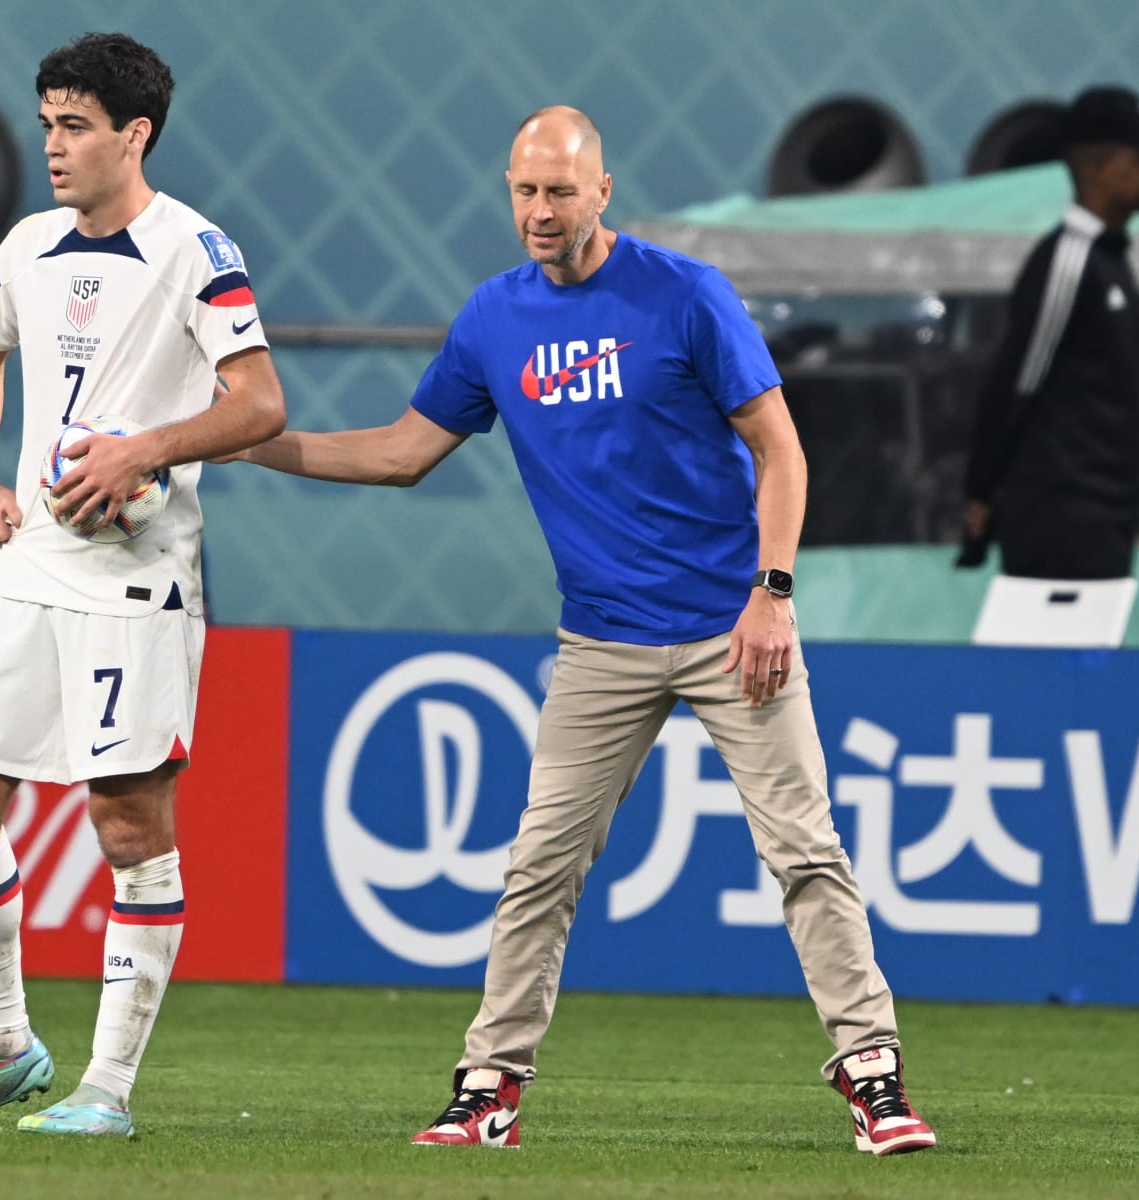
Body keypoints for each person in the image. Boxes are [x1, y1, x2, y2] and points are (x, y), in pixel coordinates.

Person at [226, 106, 935, 1156]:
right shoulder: (493, 319)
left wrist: (771, 592)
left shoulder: (686, 295)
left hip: (727, 625)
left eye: (561, 190)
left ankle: (874, 1076)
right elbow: (397, 453)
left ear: (603, 191)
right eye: (524, 189)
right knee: (539, 867)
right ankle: (488, 1089)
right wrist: (242, 443)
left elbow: (782, 453)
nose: (541, 210)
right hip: (602, 642)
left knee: (804, 850)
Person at [0, 31, 286, 1138]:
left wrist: (144, 450)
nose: (54, 147)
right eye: (48, 125)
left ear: (135, 134)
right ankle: (3, 1045)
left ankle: (106, 1091)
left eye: (75, 126)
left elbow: (260, 405)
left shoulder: (196, 252)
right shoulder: (24, 246)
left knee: (127, 829)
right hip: (26, 569)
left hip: (136, 583)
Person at [958, 85, 1139, 578]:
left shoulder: (1110, 260)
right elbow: (1016, 382)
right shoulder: (1069, 260)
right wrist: (981, 490)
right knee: (1052, 656)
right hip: (1060, 519)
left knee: (1096, 656)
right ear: (1104, 166)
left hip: (1104, 517)